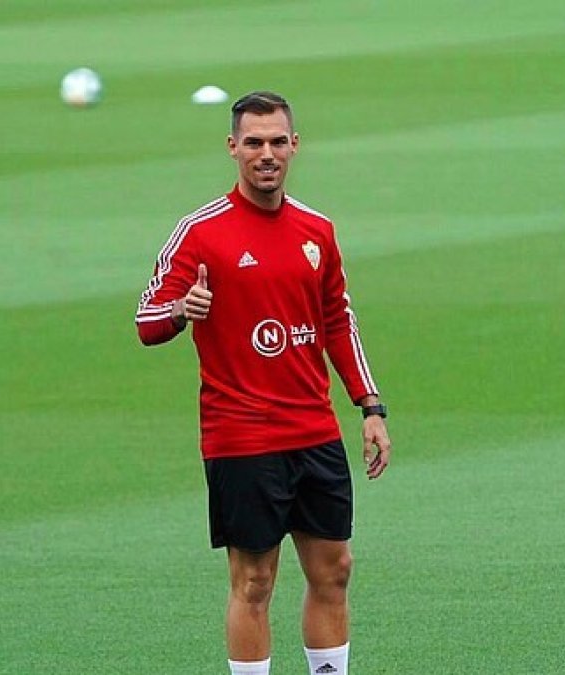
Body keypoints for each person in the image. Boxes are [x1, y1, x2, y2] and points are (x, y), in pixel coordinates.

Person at [135, 91, 391, 675]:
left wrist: (370, 406)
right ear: (233, 148)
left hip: (314, 431)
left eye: (278, 141)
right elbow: (146, 323)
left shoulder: (317, 230)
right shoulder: (199, 232)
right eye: (254, 143)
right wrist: (183, 310)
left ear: (295, 145)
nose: (267, 154)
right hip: (242, 436)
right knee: (254, 581)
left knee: (336, 570)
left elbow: (338, 321)